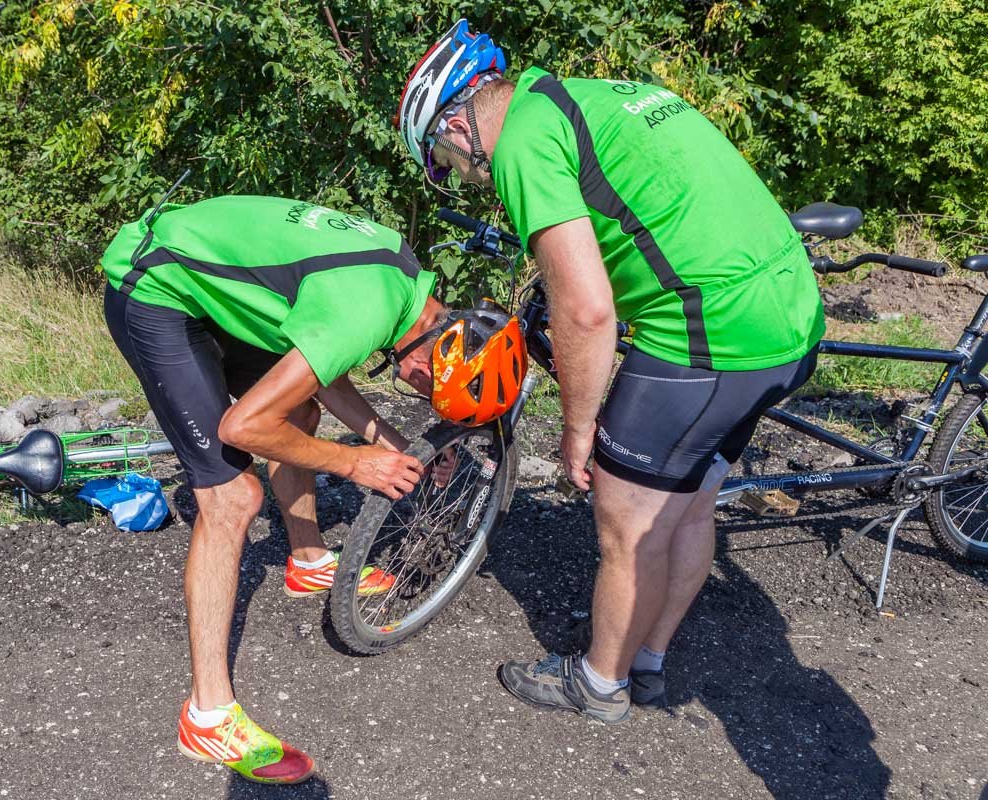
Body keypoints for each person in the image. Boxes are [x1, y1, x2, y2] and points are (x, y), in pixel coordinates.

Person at [397, 20, 825, 724]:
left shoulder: (523, 144)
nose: (456, 176)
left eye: (441, 158)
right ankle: (647, 659)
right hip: (789, 321)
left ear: (458, 121)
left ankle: (599, 682)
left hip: (712, 338)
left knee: (626, 525)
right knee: (685, 500)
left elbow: (588, 311)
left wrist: (576, 427)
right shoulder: (599, 96)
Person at [99, 195, 445, 784]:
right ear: (433, 351)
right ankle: (206, 716)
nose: (423, 393)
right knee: (232, 497)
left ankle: (309, 561)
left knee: (300, 406)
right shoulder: (364, 314)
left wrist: (388, 438)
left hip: (205, 282)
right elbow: (245, 428)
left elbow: (323, 365)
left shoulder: (403, 277)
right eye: (428, 387)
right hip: (154, 285)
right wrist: (356, 464)